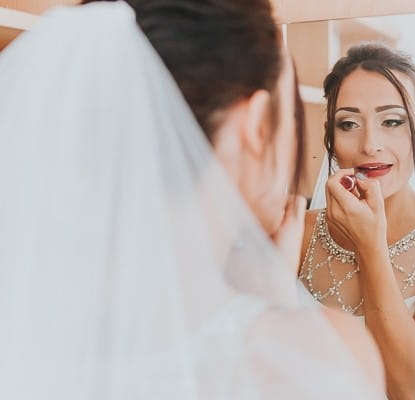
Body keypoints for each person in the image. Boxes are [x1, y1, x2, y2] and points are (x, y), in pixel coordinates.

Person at [0, 1, 385, 398]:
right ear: (254, 126)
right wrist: (277, 307)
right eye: (287, 113)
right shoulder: (316, 358)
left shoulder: (28, 321)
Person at [298, 43, 415, 400]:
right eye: (348, 123)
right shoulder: (301, 233)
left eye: (393, 121)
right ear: (331, 140)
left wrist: (370, 245)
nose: (370, 145)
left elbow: (411, 390)